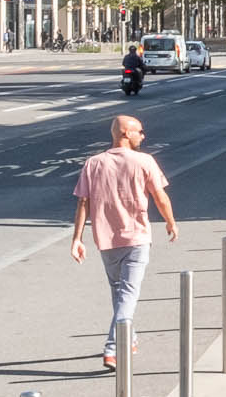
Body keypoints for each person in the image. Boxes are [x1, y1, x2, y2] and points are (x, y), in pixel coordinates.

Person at [70, 114, 177, 369]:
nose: (143, 135)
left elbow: (83, 202)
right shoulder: (144, 161)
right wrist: (171, 221)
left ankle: (129, 338)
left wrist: (77, 238)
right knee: (127, 294)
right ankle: (112, 348)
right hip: (136, 236)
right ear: (126, 134)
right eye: (139, 131)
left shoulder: (93, 163)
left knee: (120, 293)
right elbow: (160, 196)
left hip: (105, 238)